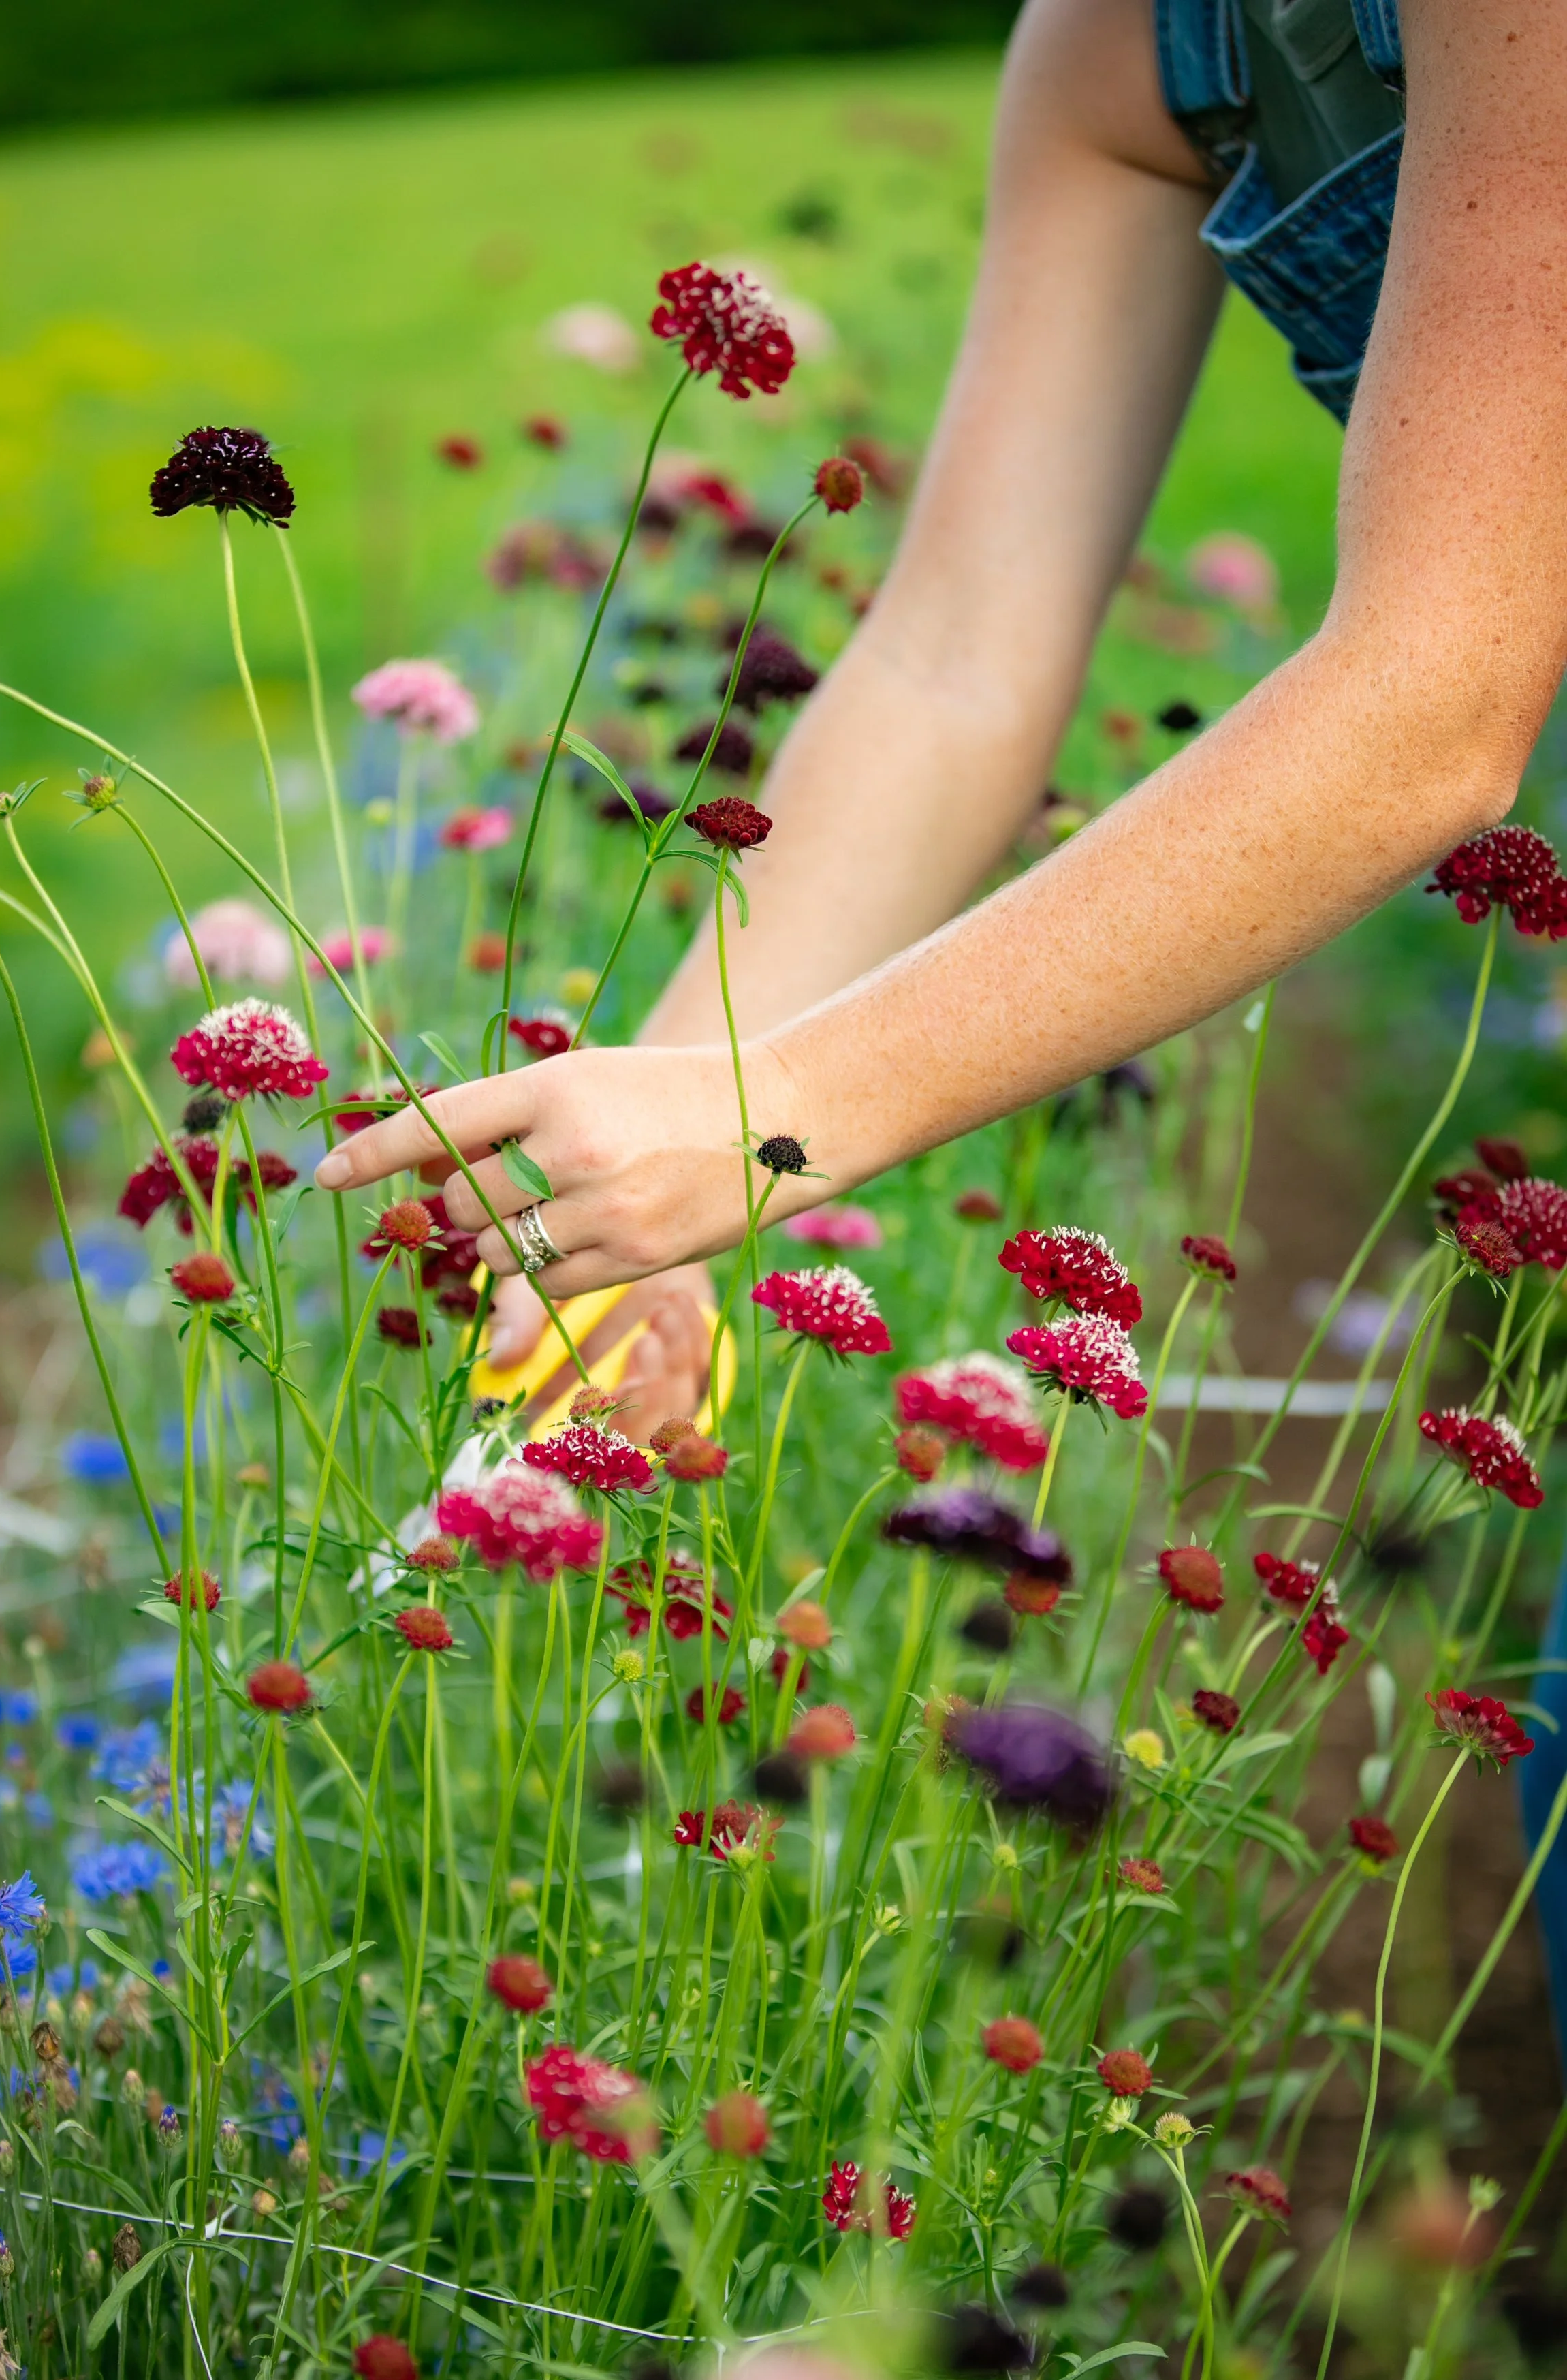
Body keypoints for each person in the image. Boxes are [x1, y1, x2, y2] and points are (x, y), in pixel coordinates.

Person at [317, 0, 1567, 1449]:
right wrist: (663, 1138)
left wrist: (774, 1113)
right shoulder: (1124, 44)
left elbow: (1430, 696)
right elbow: (953, 659)